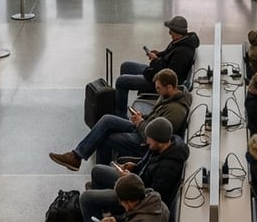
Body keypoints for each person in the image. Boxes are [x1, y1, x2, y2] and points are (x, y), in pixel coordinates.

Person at [50, 68, 191, 169]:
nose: (157, 91)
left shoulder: (176, 110)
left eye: (159, 88)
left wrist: (141, 123)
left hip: (146, 142)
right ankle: (76, 156)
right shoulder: (167, 96)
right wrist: (142, 118)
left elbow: (158, 139)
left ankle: (99, 180)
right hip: (143, 127)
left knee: (104, 138)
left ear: (170, 87)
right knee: (107, 120)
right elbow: (155, 117)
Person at [79, 117, 189, 221]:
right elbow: (145, 165)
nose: (147, 142)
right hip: (136, 182)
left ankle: (104, 206)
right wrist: (134, 167)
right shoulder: (159, 148)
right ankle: (105, 209)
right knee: (97, 171)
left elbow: (154, 195)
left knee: (86, 198)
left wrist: (131, 180)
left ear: (158, 141)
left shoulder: (167, 169)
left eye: (149, 139)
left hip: (135, 196)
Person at [115, 16, 200, 116]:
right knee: (126, 66)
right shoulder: (180, 41)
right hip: (156, 71)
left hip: (159, 81)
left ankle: (120, 115)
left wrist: (155, 60)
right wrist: (158, 54)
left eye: (171, 30)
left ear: (177, 32)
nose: (169, 33)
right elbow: (169, 55)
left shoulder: (183, 53)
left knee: (121, 81)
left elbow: (169, 75)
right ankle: (121, 103)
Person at [99, 173, 169, 222]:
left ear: (129, 202)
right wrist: (116, 220)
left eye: (121, 201)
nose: (121, 204)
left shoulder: (144, 218)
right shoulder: (156, 203)